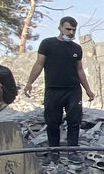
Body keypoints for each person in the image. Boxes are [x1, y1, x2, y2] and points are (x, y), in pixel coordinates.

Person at [22, 17, 96, 157]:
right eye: (68, 29)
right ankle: (54, 152)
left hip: (73, 90)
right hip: (53, 89)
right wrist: (29, 83)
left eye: (73, 30)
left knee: (74, 121)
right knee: (52, 122)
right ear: (60, 28)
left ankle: (72, 151)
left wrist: (87, 89)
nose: (71, 32)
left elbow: (80, 70)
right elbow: (39, 64)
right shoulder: (47, 44)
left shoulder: (76, 48)